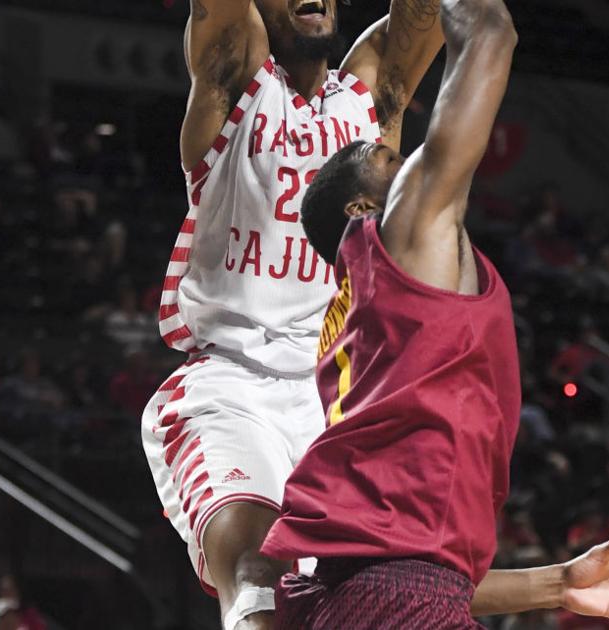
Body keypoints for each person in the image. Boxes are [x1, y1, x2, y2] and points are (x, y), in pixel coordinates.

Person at [262, 1, 609, 626]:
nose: (403, 158)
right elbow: (491, 33)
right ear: (360, 210)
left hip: (362, 598)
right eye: (386, 161)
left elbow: (406, 567)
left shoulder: (359, 322)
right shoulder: (400, 237)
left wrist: (558, 582)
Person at [140, 0, 448, 627]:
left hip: (337, 396)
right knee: (259, 573)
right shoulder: (238, 72)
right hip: (231, 385)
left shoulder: (368, 97)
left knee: (395, 594)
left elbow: (440, 13)